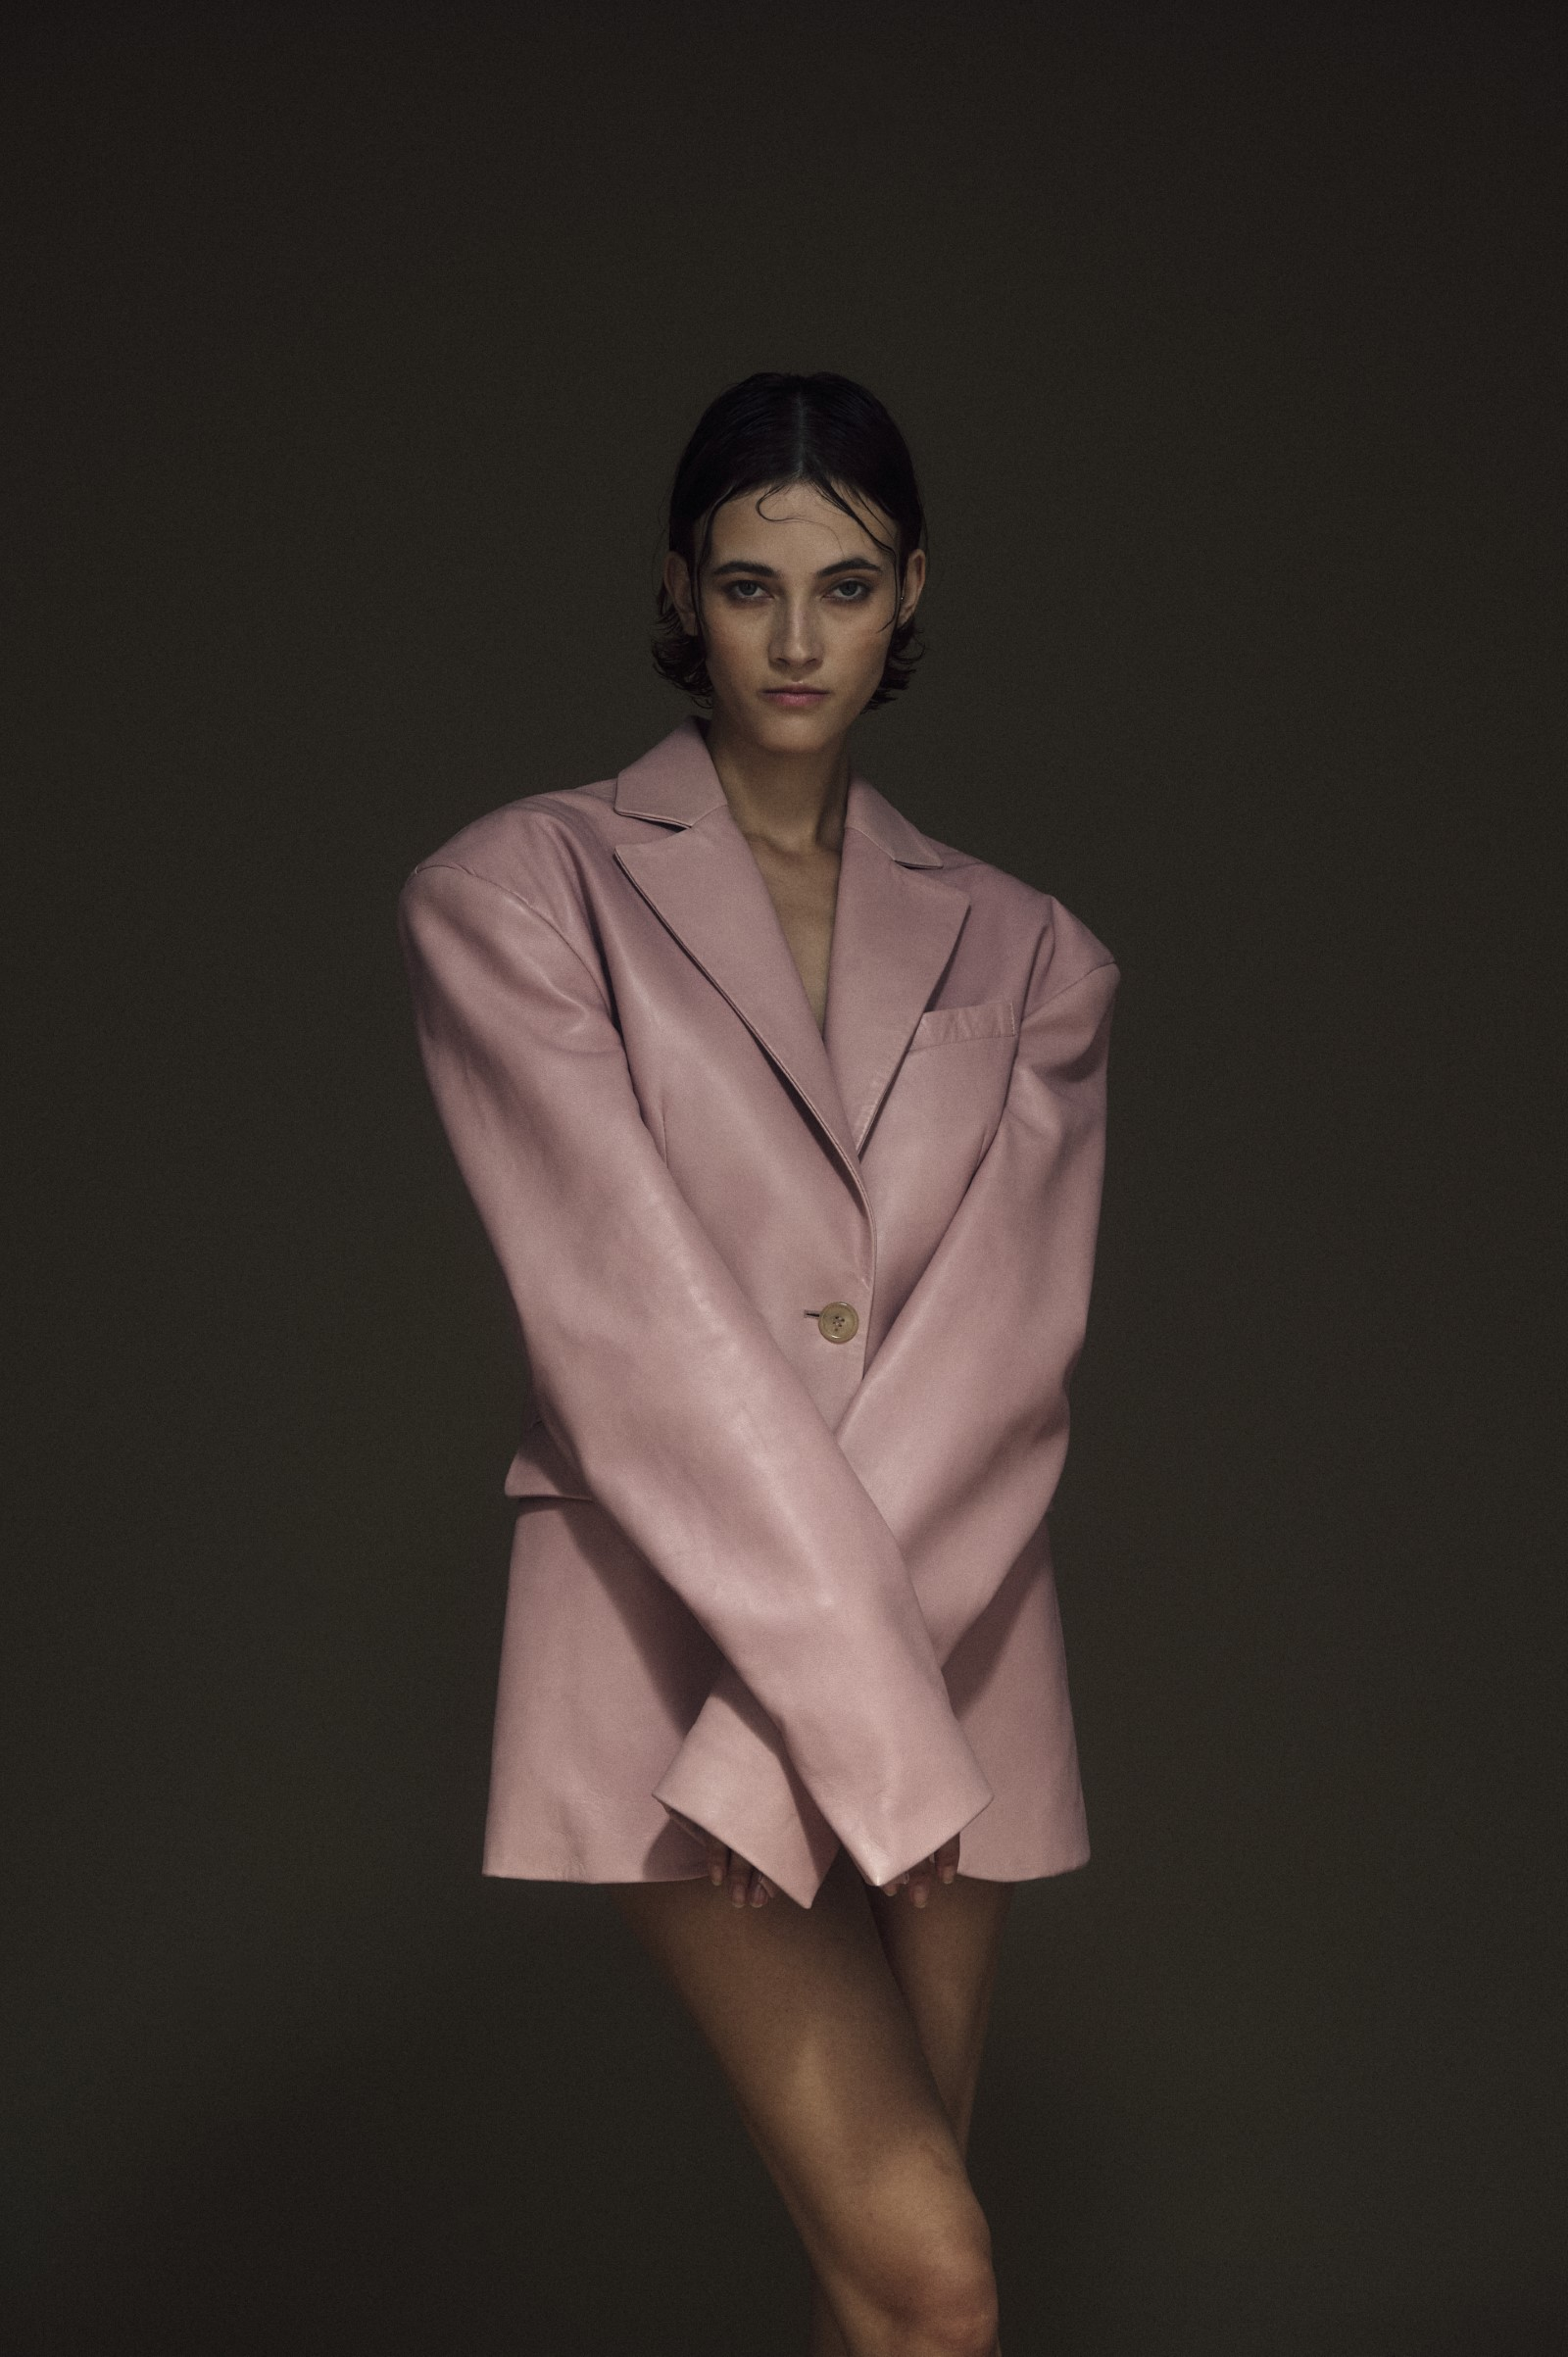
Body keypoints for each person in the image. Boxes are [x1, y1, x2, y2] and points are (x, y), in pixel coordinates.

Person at [399, 370, 1119, 2357]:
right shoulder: (517, 894)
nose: (796, 639)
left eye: (845, 586)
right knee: (933, 2273)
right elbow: (626, 1325)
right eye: (747, 585)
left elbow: (1000, 1361)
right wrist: (780, 1731)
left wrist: (842, 1719)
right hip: (670, 1654)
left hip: (957, 1642)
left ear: (911, 596)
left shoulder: (1033, 954)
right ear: (677, 592)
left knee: (880, 2294)